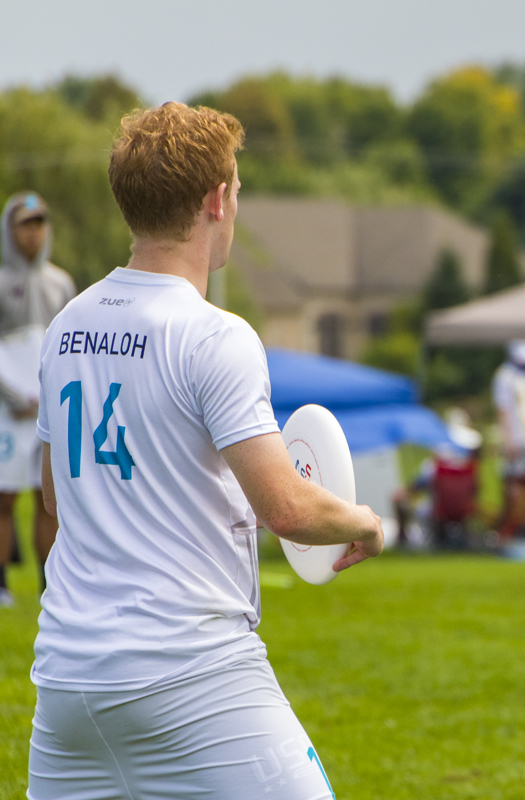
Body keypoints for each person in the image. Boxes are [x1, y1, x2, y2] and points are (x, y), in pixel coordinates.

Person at [28, 102, 383, 799]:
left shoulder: (67, 325)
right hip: (190, 672)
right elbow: (285, 507)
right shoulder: (216, 335)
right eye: (239, 189)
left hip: (68, 681)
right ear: (217, 200)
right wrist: (364, 522)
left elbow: (52, 494)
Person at [0, 192, 75, 606]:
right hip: (8, 413)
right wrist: (12, 395)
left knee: (49, 500)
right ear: (10, 230)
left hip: (48, 411)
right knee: (4, 497)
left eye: (40, 223)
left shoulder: (61, 283)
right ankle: (2, 584)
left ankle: (51, 587)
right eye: (26, 223)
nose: (35, 232)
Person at [492, 339, 525, 539]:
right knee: (513, 485)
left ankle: (521, 523)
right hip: (515, 440)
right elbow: (503, 410)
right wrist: (509, 439)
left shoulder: (524, 377)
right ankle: (509, 527)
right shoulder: (504, 377)